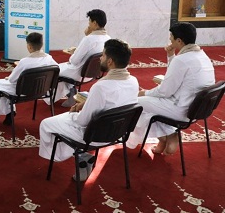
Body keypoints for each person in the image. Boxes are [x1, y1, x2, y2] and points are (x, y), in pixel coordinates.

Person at [38, 39, 138, 181]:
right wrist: (85, 104)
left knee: (46, 124)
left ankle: (80, 155)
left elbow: (82, 121)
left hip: (94, 136)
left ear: (110, 61)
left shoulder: (101, 87)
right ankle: (80, 156)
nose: (100, 58)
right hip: (118, 133)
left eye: (103, 55)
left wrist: (73, 113)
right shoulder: (133, 81)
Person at [127, 22, 215, 155]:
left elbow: (165, 91)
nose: (170, 41)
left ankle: (168, 135)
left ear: (179, 41)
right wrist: (171, 56)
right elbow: (174, 77)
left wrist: (144, 93)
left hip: (181, 110)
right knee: (149, 105)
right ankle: (164, 139)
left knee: (135, 103)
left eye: (171, 38)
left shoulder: (182, 60)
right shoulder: (202, 56)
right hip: (196, 110)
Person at [0, 32, 58, 124]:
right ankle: (9, 113)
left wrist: (9, 77)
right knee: (2, 86)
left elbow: (12, 80)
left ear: (29, 47)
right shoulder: (49, 59)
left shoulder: (24, 62)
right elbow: (57, 70)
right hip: (42, 90)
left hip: (23, 92)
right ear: (42, 44)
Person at [55, 9, 111, 107]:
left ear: (94, 23)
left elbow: (74, 61)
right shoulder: (108, 39)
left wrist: (74, 53)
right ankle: (72, 92)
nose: (88, 24)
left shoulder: (88, 39)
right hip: (94, 73)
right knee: (62, 69)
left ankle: (70, 93)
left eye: (89, 22)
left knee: (54, 70)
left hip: (80, 74)